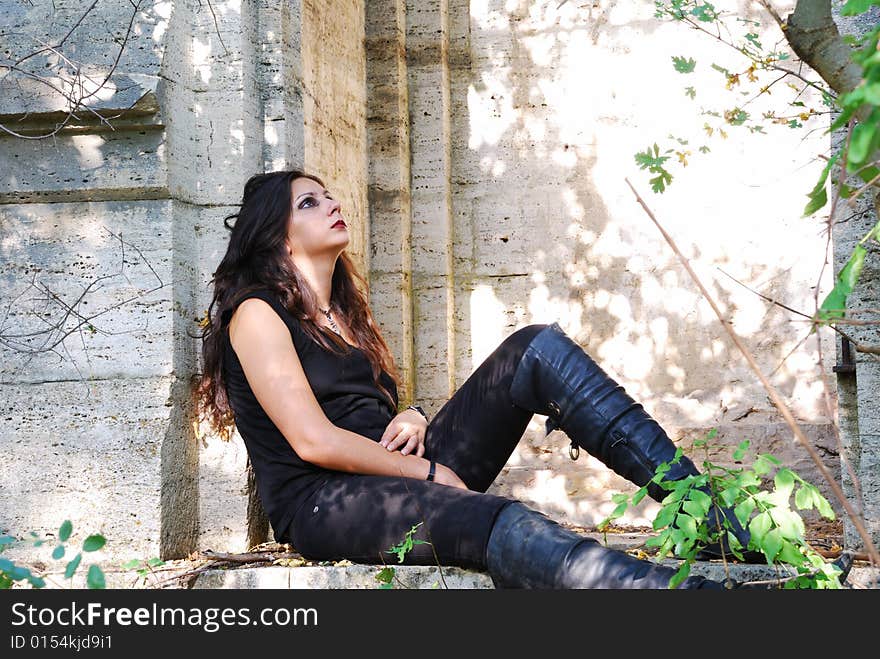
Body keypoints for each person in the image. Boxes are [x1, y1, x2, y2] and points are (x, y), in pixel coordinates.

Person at [194, 170, 798, 589]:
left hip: (399, 470)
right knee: (495, 518)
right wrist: (429, 472)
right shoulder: (256, 313)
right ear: (276, 236)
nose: (330, 204)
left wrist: (413, 417)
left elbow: (369, 416)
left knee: (535, 347)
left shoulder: (346, 315)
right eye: (308, 203)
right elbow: (314, 440)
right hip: (325, 502)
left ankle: (712, 519)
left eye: (326, 195)